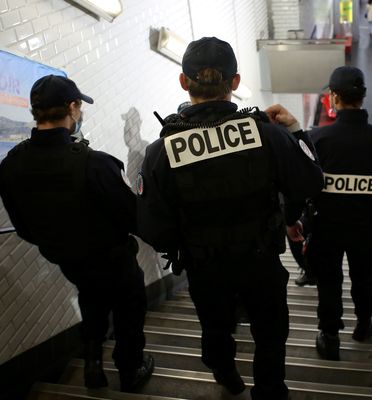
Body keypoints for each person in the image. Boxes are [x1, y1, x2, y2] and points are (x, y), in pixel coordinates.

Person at [137, 37, 323, 400]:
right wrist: (297, 131)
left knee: (216, 327)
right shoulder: (266, 135)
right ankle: (269, 390)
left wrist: (187, 244)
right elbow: (311, 180)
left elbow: (152, 228)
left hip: (206, 268)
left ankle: (225, 374)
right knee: (270, 331)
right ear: (235, 83)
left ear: (183, 82)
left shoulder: (162, 152)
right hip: (261, 262)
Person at [0, 75, 153, 392]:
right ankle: (130, 369)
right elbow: (132, 217)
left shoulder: (11, 163)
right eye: (79, 106)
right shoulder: (94, 163)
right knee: (129, 308)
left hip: (68, 261)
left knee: (91, 300)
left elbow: (23, 225)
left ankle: (93, 366)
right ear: (72, 108)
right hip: (113, 260)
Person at [290, 66, 372, 361]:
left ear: (333, 97)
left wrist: (292, 219)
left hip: (325, 228)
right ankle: (365, 323)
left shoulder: (317, 139)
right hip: (367, 228)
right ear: (363, 97)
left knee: (329, 281)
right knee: (364, 276)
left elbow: (299, 184)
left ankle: (330, 335)